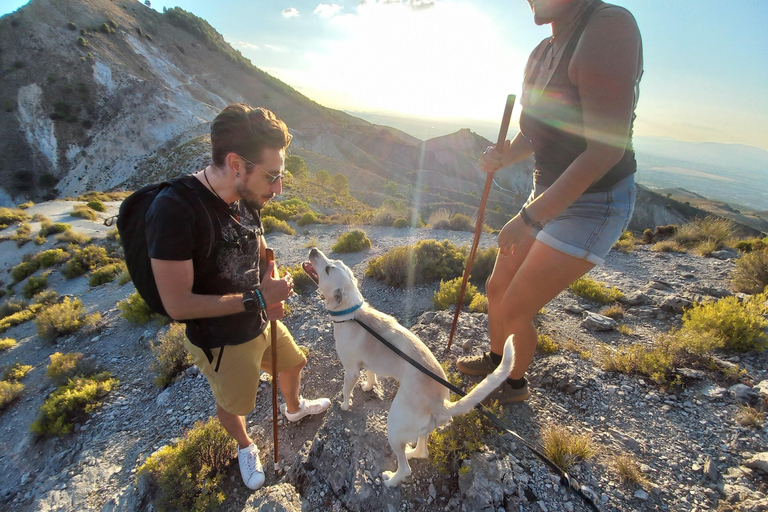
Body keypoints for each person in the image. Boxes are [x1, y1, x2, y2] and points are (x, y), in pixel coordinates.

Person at [456, 0, 643, 403]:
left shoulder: (608, 28)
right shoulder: (542, 51)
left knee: (517, 305)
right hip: (547, 191)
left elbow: (604, 151)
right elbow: (537, 132)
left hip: (595, 200)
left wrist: (530, 216)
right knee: (497, 287)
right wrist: (504, 154)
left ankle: (514, 385)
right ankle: (495, 361)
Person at [146, 104, 331, 490]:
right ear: (236, 164)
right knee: (236, 406)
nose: (279, 189)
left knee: (293, 364)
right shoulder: (175, 211)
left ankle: (293, 410)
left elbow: (259, 243)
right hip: (222, 341)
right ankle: (246, 445)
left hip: (261, 320)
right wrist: (260, 299)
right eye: (273, 176)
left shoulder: (247, 195)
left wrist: (269, 274)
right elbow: (176, 303)